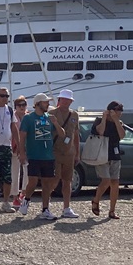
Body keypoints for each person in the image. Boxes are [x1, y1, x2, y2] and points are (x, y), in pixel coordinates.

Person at [18, 93, 65, 220]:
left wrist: (55, 123)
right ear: (38, 103)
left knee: (47, 184)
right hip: (34, 155)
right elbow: (22, 137)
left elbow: (62, 134)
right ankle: (26, 200)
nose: (48, 104)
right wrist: (22, 153)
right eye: (45, 102)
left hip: (48, 156)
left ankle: (45, 209)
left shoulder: (49, 117)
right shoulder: (28, 118)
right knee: (32, 181)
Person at [49, 89, 81, 218]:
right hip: (55, 151)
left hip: (69, 151)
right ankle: (47, 205)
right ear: (59, 100)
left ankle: (66, 207)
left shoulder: (74, 115)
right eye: (64, 99)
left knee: (68, 180)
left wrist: (77, 153)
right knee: (54, 179)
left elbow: (76, 135)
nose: (66, 102)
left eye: (68, 100)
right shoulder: (52, 113)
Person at [91, 101, 125, 219]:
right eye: (117, 111)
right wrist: (105, 118)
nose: (119, 113)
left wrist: (116, 120)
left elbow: (122, 135)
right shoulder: (99, 121)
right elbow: (100, 131)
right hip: (101, 154)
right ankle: (96, 200)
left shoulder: (119, 123)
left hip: (114, 154)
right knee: (106, 180)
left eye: (120, 111)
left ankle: (112, 210)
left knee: (115, 183)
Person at [11, 95, 30, 210]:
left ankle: (23, 192)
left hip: (28, 149)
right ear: (16, 106)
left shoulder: (28, 117)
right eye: (20, 105)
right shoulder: (12, 117)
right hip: (14, 148)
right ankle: (15, 196)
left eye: (24, 105)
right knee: (15, 172)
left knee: (28, 172)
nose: (22, 107)